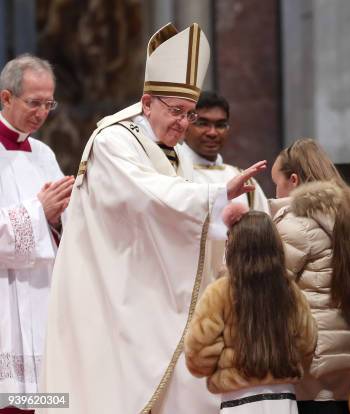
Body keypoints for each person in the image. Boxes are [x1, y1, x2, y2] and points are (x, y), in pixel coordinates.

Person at [40, 23, 266, 414]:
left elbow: (182, 214)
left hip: (156, 291)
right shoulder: (114, 141)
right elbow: (149, 199)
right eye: (175, 111)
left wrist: (226, 219)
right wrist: (216, 195)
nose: (183, 123)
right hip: (116, 292)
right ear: (147, 104)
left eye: (189, 114)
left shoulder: (173, 152)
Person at [270, 138, 350, 413]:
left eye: (276, 181)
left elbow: (270, 287)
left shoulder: (297, 224)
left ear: (294, 180)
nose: (274, 189)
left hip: (308, 349)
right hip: (345, 346)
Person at [184, 207, 317, 414]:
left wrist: (227, 364)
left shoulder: (220, 292)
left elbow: (197, 356)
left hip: (238, 402)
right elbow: (307, 345)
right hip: (284, 400)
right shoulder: (290, 290)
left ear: (235, 246)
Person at [0, 54, 73, 413]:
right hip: (4, 299)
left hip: (41, 295)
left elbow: (61, 226)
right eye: (34, 102)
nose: (42, 113)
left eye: (49, 103)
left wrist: (59, 219)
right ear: (6, 98)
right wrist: (38, 212)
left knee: (47, 400)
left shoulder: (44, 154)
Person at [179, 90, 269, 283]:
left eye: (220, 125)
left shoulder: (244, 179)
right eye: (202, 123)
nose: (212, 132)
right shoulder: (172, 174)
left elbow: (266, 241)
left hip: (239, 287)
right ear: (186, 124)